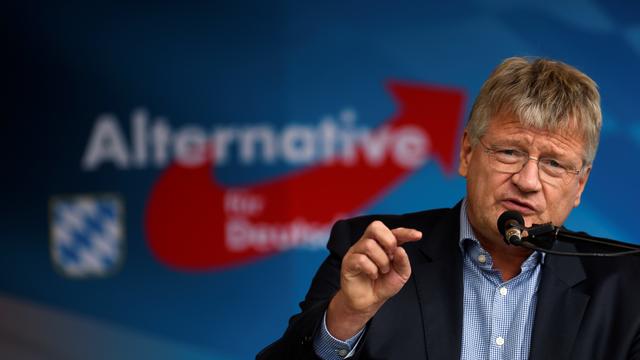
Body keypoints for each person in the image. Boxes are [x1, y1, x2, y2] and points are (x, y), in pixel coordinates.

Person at [256, 57, 640, 360]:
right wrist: (347, 317)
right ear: (467, 153)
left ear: (580, 185)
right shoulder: (375, 251)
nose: (527, 180)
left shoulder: (626, 285)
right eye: (509, 152)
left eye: (554, 163)